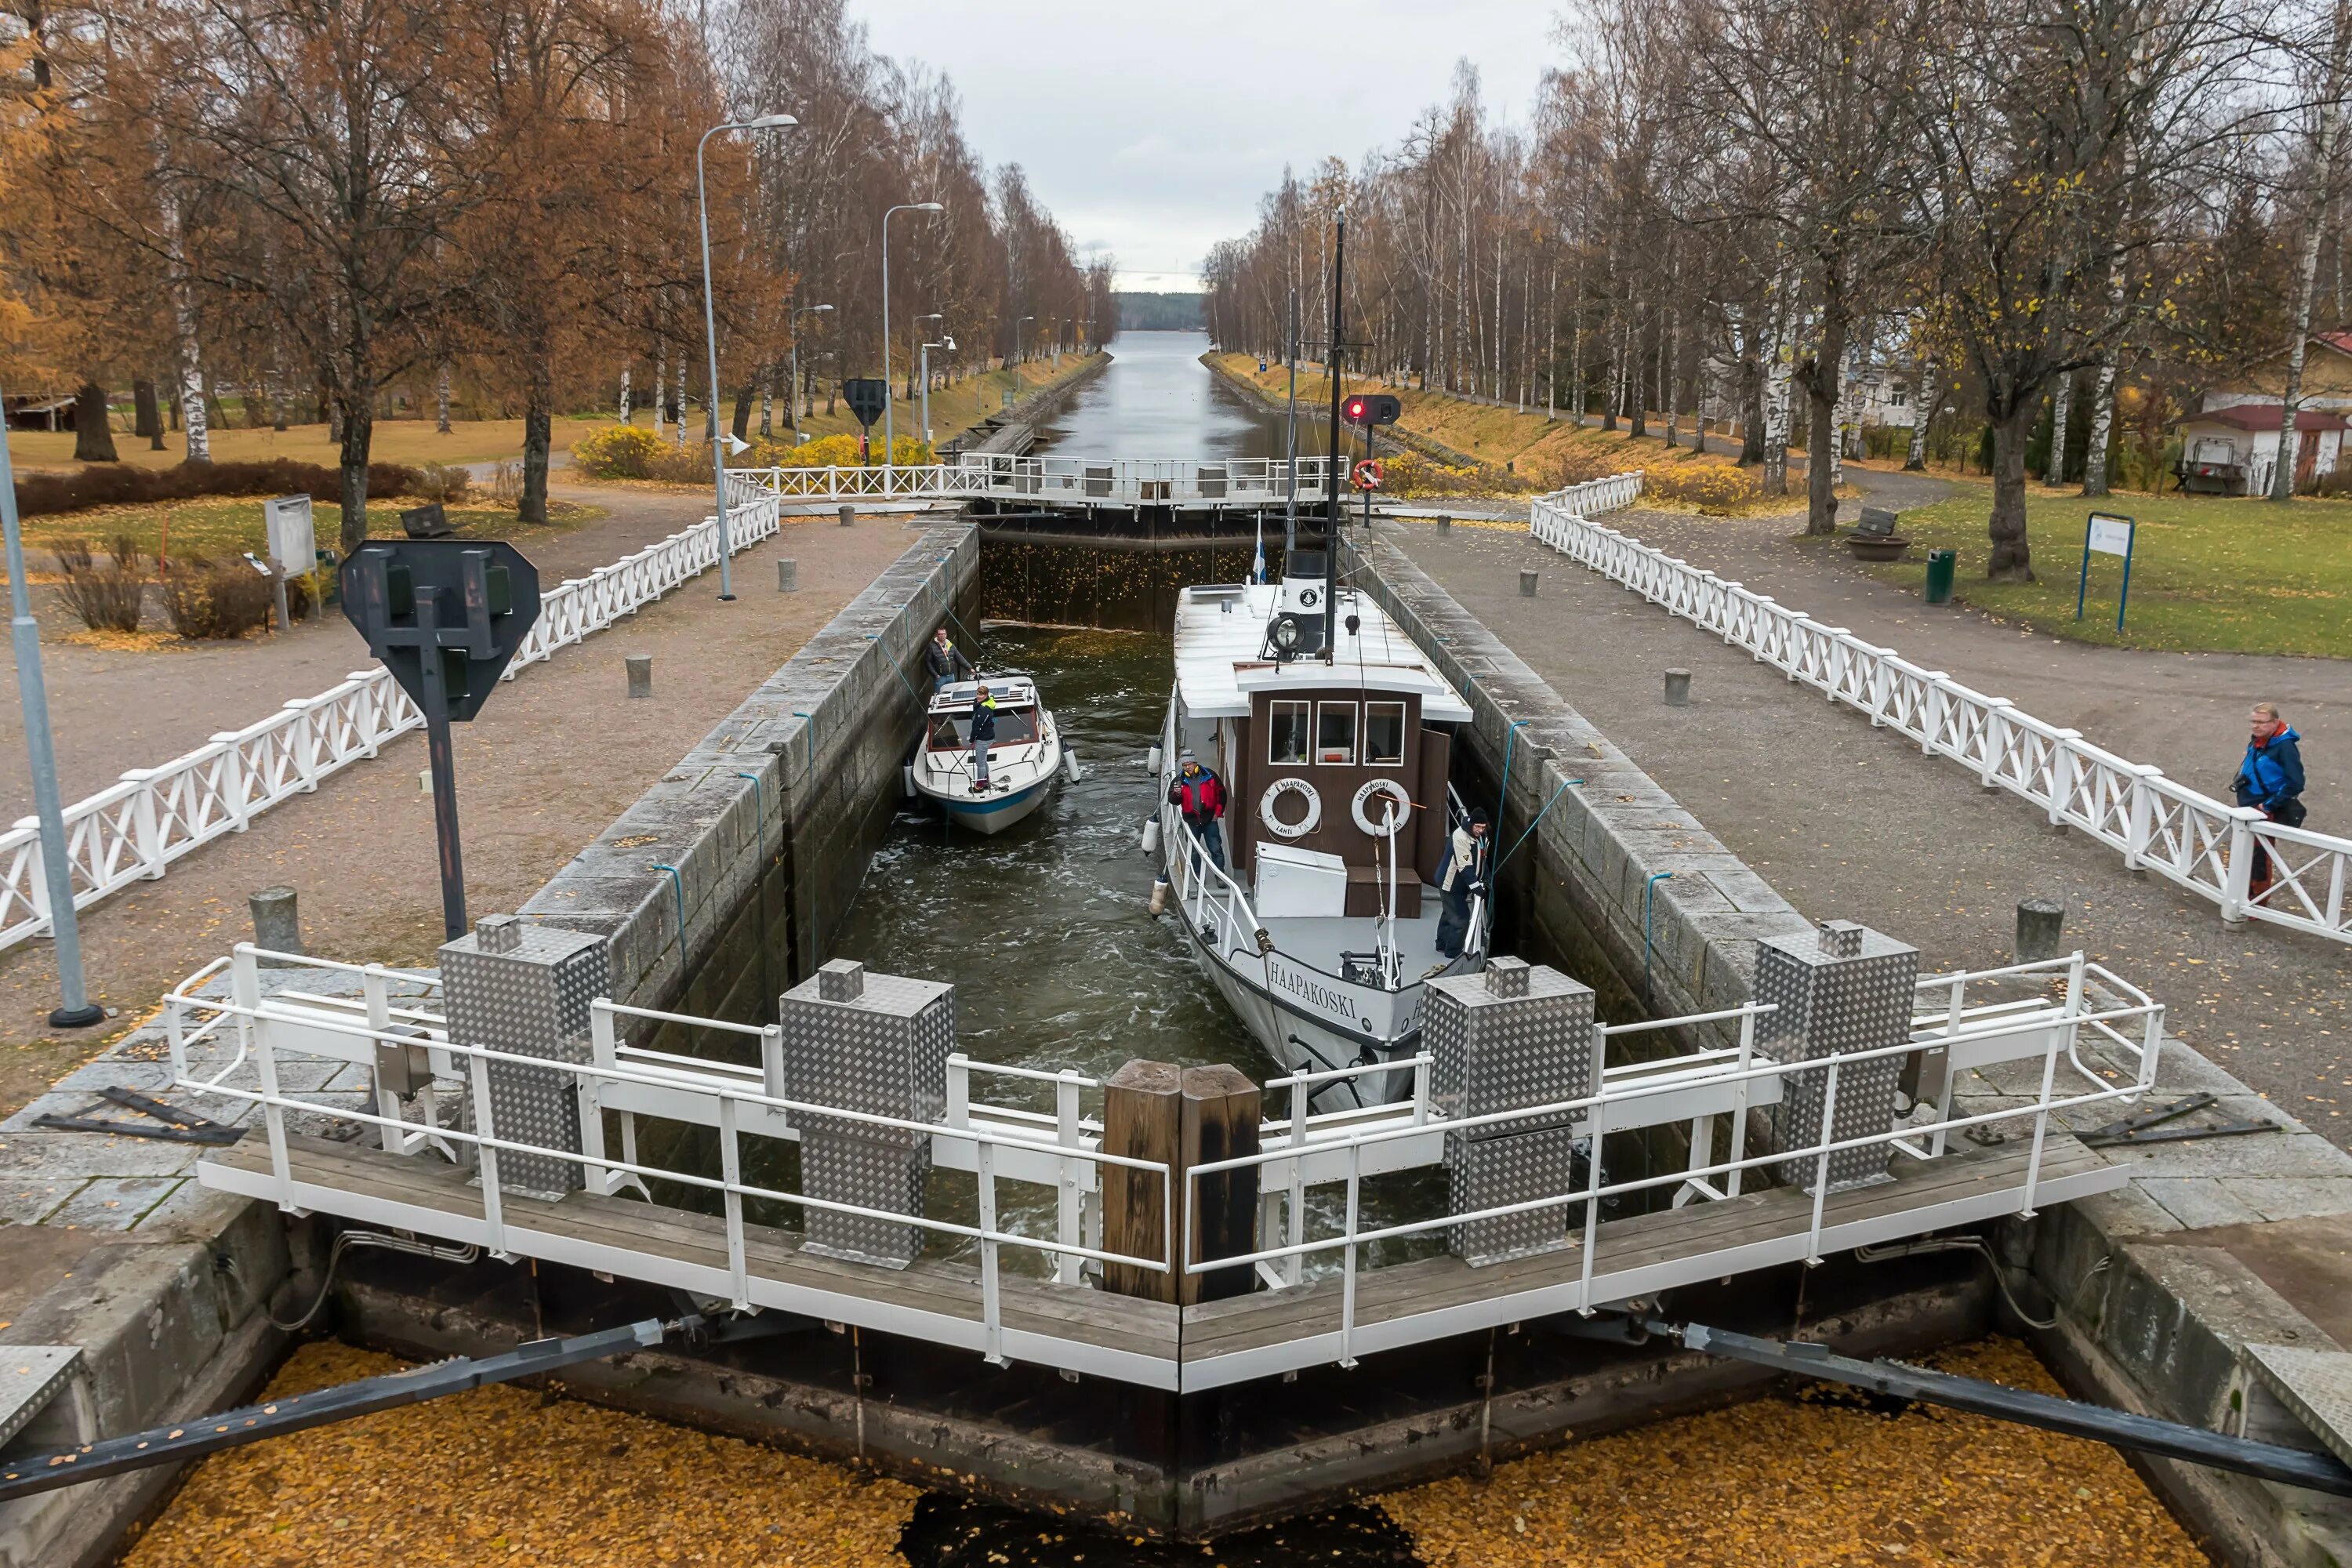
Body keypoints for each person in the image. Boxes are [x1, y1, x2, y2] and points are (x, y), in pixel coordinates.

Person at [2232, 702, 2306, 902]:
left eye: (2261, 722)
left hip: (2264, 808)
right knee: (2244, 851)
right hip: (2248, 804)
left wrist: (2268, 805)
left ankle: (2257, 900)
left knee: (2259, 857)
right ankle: (2241, 893)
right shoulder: (2259, 740)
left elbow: (2296, 783)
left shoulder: (2284, 747)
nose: (2256, 726)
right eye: (2253, 722)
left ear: (2274, 723)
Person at [1430, 808, 1490, 971]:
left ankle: (1441, 944)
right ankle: (1453, 953)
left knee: (1448, 912)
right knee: (1461, 918)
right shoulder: (1460, 837)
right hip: (1451, 884)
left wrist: (1486, 876)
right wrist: (1476, 887)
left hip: (1460, 885)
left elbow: (1481, 859)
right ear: (1471, 824)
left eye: (1483, 827)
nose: (1480, 830)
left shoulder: (1481, 837)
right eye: (1477, 827)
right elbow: (1465, 867)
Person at [1167, 750, 1228, 869]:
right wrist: (1177, 794)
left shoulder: (1211, 775)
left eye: (1189, 764)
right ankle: (1198, 876)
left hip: (1210, 820)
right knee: (1194, 851)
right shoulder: (1178, 780)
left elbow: (1222, 795)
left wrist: (1217, 814)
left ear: (1196, 763)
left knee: (1216, 849)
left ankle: (1220, 877)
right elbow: (1173, 801)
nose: (1187, 767)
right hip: (1192, 821)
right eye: (1185, 765)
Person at [967, 684, 998, 793]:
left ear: (986, 695)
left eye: (981, 694)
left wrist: (972, 740)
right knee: (983, 760)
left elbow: (977, 727)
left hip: (983, 739)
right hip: (987, 737)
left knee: (980, 763)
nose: (978, 696)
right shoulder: (987, 702)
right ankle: (985, 780)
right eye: (977, 694)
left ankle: (979, 786)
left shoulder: (984, 710)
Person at [926, 627, 975, 694]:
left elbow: (959, 658)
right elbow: (928, 663)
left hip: (951, 676)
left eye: (944, 634)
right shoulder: (932, 647)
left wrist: (970, 668)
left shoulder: (950, 645)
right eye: (940, 634)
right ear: (937, 635)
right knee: (939, 695)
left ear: (946, 634)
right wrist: (935, 675)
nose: (942, 635)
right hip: (940, 677)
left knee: (951, 694)